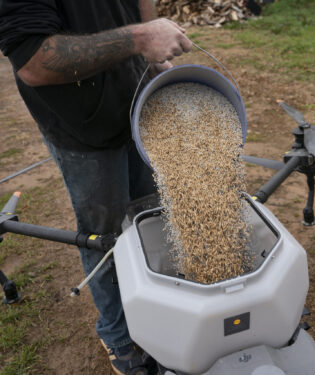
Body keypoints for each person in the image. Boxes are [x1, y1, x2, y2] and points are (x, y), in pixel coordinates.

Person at [0, 1, 192, 374]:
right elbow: (34, 63)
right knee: (104, 237)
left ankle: (159, 308)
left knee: (150, 213)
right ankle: (117, 334)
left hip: (137, 101)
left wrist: (148, 51)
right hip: (83, 126)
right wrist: (139, 37)